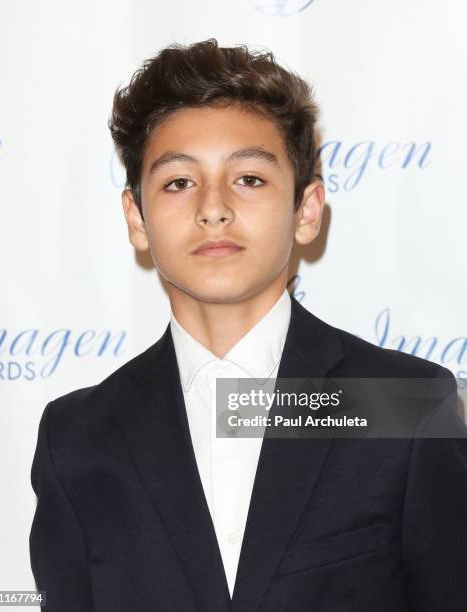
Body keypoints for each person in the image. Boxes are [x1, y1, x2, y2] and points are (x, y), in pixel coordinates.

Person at [29, 38, 467, 611]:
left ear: (306, 210)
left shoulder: (403, 404)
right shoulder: (77, 436)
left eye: (250, 179)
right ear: (136, 218)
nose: (213, 208)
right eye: (178, 182)